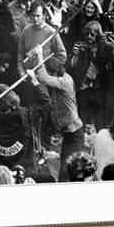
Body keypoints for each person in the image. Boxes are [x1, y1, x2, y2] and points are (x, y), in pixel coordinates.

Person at [0, 69, 51, 176]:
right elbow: (45, 103)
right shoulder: (23, 115)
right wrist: (35, 80)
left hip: (4, 168)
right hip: (27, 167)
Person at [34, 52, 85, 182]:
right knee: (66, 171)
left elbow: (44, 78)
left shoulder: (65, 81)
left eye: (50, 73)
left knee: (66, 173)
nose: (49, 76)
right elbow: (42, 79)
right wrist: (34, 78)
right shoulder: (58, 80)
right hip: (68, 134)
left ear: (55, 72)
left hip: (75, 135)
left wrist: (40, 54)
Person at [69, 20, 114, 130]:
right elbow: (73, 65)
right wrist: (75, 55)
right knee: (81, 117)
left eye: (92, 35)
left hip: (98, 88)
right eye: (87, 34)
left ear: (98, 35)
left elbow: (109, 65)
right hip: (84, 87)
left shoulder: (104, 47)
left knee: (100, 119)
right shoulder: (81, 46)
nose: (89, 37)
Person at [17, 1, 67, 78]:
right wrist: (21, 70)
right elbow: (20, 53)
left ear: (44, 15)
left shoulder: (51, 32)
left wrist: (48, 71)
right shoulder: (26, 31)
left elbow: (62, 56)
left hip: (44, 78)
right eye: (33, 15)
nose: (35, 18)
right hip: (27, 76)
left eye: (38, 16)